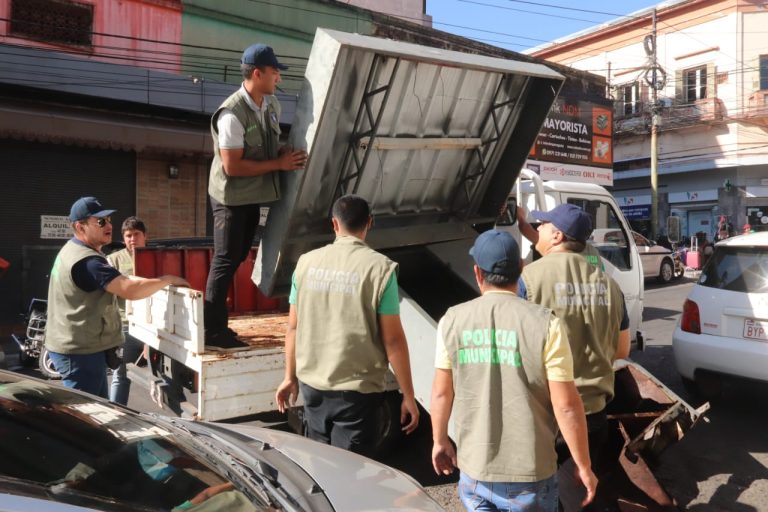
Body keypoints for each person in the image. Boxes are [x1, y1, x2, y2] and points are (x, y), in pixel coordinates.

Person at [430, 229, 597, 511]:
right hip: (530, 474)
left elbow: (441, 393)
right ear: (521, 269)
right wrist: (584, 465)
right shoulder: (546, 324)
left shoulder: (452, 320)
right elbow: (566, 406)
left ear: (477, 273)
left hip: (475, 470)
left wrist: (440, 440)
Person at [275, 194, 419, 457]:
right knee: (349, 474)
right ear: (369, 223)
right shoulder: (380, 269)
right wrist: (408, 395)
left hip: (313, 388)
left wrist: (289, 376)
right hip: (357, 395)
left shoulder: (305, 263)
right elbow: (393, 341)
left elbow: (293, 328)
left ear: (334, 224)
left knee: (319, 469)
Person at [516, 204, 629, 510]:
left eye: (542, 225)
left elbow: (516, 349)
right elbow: (622, 350)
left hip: (547, 417)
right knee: (579, 495)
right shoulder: (611, 285)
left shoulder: (529, 279)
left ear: (556, 235)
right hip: (593, 416)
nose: (537, 230)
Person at [204, 43, 307, 349]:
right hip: (230, 197)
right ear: (257, 73)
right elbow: (232, 166)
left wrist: (281, 151)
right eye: (275, 72)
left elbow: (265, 143)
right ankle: (212, 331)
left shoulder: (270, 105)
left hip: (252, 194)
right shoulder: (231, 115)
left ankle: (219, 326)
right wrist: (279, 163)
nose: (279, 78)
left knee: (236, 257)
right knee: (224, 260)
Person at [45, 197, 189, 399]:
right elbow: (128, 288)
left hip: (76, 347)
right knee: (87, 417)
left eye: (109, 220)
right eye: (100, 222)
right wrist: (166, 279)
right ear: (80, 226)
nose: (109, 226)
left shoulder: (72, 250)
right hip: (80, 352)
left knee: (99, 409)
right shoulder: (88, 262)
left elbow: (122, 279)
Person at [106, 216, 148, 405]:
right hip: (125, 327)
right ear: (123, 238)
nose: (133, 239)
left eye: (136, 234)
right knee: (121, 376)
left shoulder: (156, 257)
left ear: (144, 236)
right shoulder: (113, 260)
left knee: (162, 380)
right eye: (128, 235)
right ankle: (117, 412)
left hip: (155, 329)